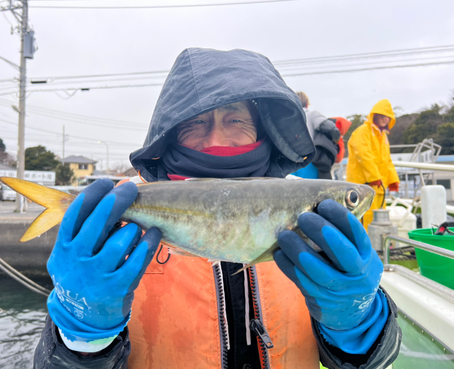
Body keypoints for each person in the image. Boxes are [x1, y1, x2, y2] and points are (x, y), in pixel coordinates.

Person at [34, 48, 401, 369]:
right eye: (195, 123)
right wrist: (82, 333)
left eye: (235, 120)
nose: (215, 139)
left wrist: (358, 320)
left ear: (264, 132)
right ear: (170, 133)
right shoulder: (116, 219)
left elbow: (374, 363)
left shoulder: (317, 218)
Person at [346, 99, 400, 231]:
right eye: (382, 115)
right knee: (364, 218)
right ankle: (363, 249)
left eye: (387, 117)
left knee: (378, 221)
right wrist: (374, 177)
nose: (384, 119)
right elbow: (363, 155)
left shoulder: (383, 135)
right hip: (363, 184)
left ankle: (376, 248)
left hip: (379, 186)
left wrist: (393, 179)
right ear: (374, 115)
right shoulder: (363, 131)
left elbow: (387, 160)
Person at [295, 92, 340, 179]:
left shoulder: (284, 118)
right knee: (313, 191)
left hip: (288, 164)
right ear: (307, 104)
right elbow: (331, 128)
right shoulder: (311, 115)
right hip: (309, 162)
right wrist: (335, 140)